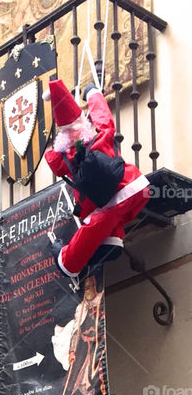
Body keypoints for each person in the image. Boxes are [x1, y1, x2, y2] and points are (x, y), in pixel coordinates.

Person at [44, 77, 150, 279]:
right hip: (133, 186)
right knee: (108, 217)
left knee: (92, 227)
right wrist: (92, 92)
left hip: (113, 197)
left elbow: (54, 162)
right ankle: (112, 240)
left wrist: (61, 151)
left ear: (62, 137)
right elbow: (104, 117)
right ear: (83, 122)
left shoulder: (65, 159)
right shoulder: (100, 136)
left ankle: (67, 261)